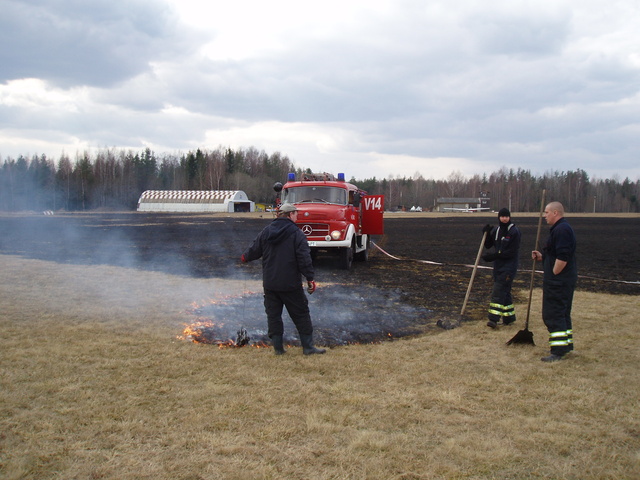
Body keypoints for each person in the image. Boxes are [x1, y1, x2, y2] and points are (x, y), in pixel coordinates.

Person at [241, 203, 326, 355]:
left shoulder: (266, 231)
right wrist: (310, 278)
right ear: (289, 215)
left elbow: (254, 249)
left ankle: (278, 349)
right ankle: (308, 347)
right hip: (290, 284)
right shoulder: (297, 234)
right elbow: (304, 258)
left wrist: (245, 257)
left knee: (273, 316)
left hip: (270, 283)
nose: (297, 216)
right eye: (295, 214)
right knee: (301, 314)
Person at [532, 201, 577, 362]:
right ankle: (566, 345)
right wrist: (543, 258)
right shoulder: (560, 229)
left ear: (555, 213)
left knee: (553, 314)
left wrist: (554, 273)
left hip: (558, 282)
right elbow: (555, 254)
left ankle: (558, 351)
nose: (544, 216)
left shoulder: (562, 230)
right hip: (561, 280)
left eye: (546, 212)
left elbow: (563, 256)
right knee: (562, 313)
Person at [482, 207, 521, 328]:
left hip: (509, 266)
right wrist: (486, 234)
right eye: (502, 216)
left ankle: (493, 319)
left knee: (498, 290)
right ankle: (509, 317)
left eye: (506, 216)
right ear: (499, 217)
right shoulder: (497, 230)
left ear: (509, 217)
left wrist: (494, 256)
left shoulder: (514, 231)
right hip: (498, 266)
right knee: (505, 291)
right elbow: (488, 245)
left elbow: (511, 252)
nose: (504, 219)